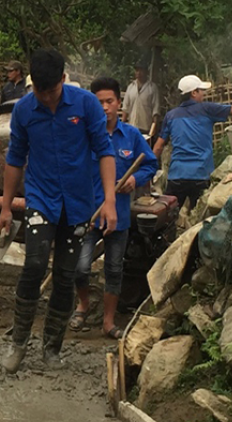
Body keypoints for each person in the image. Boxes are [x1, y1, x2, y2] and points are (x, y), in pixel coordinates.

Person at [0, 48, 118, 374]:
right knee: (35, 264)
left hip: (79, 202)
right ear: (32, 85)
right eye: (40, 91)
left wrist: (108, 200)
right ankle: (18, 343)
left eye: (51, 91)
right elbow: (15, 158)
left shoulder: (86, 105)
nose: (47, 98)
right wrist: (6, 207)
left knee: (66, 276)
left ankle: (52, 347)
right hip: (41, 197)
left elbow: (104, 151)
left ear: (63, 80)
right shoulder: (23, 110)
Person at [70, 77, 158, 339]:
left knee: (114, 269)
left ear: (119, 103)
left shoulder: (131, 136)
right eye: (99, 103)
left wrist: (135, 179)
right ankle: (83, 304)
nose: (105, 107)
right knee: (80, 266)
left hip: (118, 218)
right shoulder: (83, 137)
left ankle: (108, 322)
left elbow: (151, 164)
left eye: (110, 101)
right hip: (88, 215)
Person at [152, 75, 232, 208]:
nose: (204, 94)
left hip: (177, 176)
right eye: (201, 90)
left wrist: (150, 168)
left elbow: (159, 146)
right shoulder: (207, 109)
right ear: (194, 93)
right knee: (199, 216)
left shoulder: (171, 115)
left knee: (168, 214)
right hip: (200, 175)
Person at [122, 61, 161, 134]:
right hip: (132, 127)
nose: (139, 73)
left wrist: (154, 129)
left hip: (146, 129)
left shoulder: (152, 88)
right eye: (137, 70)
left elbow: (155, 110)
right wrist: (122, 126)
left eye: (141, 70)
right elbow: (125, 108)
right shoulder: (131, 87)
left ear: (146, 72)